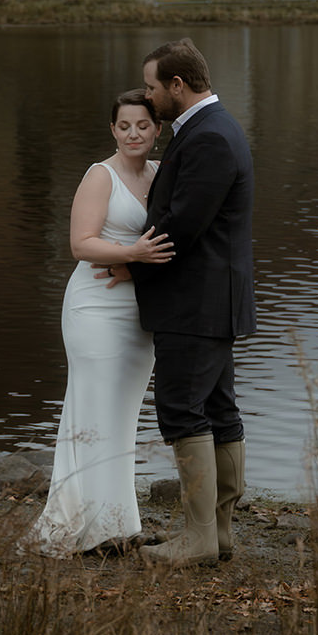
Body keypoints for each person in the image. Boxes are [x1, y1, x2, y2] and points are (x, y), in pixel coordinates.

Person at [97, 37, 255, 566]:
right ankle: (219, 534)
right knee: (217, 408)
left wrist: (130, 262)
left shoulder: (209, 136)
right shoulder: (211, 128)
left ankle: (199, 538)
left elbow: (182, 225)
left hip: (197, 302)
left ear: (177, 86)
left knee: (184, 411)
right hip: (211, 299)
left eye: (151, 86)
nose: (148, 95)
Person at [29, 89, 174, 556]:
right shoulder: (100, 176)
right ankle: (84, 527)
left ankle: (119, 524)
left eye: (143, 125)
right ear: (113, 130)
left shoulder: (158, 173)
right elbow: (80, 244)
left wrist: (136, 266)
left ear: (156, 130)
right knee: (92, 409)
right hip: (94, 307)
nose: (134, 134)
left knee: (122, 416)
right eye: (125, 126)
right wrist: (132, 252)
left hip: (139, 312)